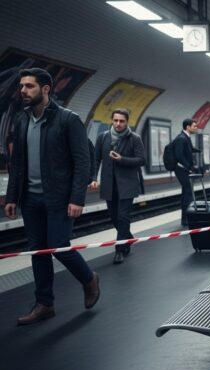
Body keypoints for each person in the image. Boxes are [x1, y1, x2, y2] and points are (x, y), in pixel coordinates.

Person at [4, 68, 100, 325]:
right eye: (22, 86)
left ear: (46, 89)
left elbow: (82, 162)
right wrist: (11, 196)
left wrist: (77, 198)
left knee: (58, 245)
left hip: (58, 198)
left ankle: (89, 279)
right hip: (31, 199)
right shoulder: (22, 120)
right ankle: (44, 303)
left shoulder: (68, 120)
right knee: (37, 251)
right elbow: (18, 163)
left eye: (29, 86)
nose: (23, 91)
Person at [90, 108, 146, 264]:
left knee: (122, 217)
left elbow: (141, 160)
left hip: (127, 184)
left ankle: (119, 251)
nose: (118, 124)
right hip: (109, 184)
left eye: (122, 121)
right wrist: (94, 177)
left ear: (127, 122)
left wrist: (121, 159)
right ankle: (127, 238)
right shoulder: (102, 138)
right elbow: (96, 160)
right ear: (112, 121)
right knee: (114, 217)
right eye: (115, 120)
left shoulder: (134, 138)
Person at [172, 118, 197, 227]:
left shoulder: (186, 137)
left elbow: (187, 150)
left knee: (187, 193)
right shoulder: (181, 138)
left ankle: (187, 218)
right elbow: (179, 155)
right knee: (188, 193)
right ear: (188, 127)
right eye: (194, 126)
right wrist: (189, 167)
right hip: (181, 169)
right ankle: (186, 219)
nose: (196, 128)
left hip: (184, 169)